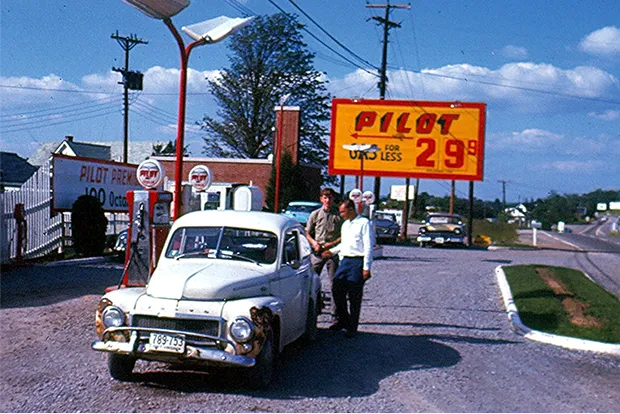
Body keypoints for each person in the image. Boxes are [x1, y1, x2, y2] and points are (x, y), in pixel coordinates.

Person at [322, 199, 373, 338]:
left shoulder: (364, 223)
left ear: (351, 209)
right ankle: (344, 320)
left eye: (343, 211)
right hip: (345, 261)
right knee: (337, 289)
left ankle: (352, 327)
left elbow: (368, 246)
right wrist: (332, 251)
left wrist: (366, 267)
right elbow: (344, 244)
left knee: (354, 295)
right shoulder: (345, 225)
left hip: (358, 261)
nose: (341, 214)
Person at [305, 188, 343, 319]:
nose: (328, 200)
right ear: (321, 199)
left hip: (332, 252)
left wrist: (332, 244)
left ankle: (335, 313)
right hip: (317, 252)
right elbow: (307, 232)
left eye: (330, 198)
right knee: (312, 281)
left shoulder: (338, 216)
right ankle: (314, 308)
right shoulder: (315, 214)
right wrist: (314, 243)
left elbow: (344, 235)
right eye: (325, 198)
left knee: (335, 283)